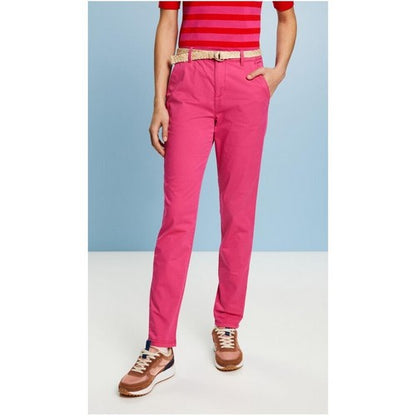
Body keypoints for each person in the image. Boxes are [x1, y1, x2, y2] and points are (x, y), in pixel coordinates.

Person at [118, 0, 297, 397]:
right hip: (190, 79)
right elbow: (168, 21)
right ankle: (159, 346)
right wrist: (159, 101)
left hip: (245, 80)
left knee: (239, 213)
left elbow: (286, 15)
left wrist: (278, 72)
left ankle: (228, 323)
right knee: (177, 218)